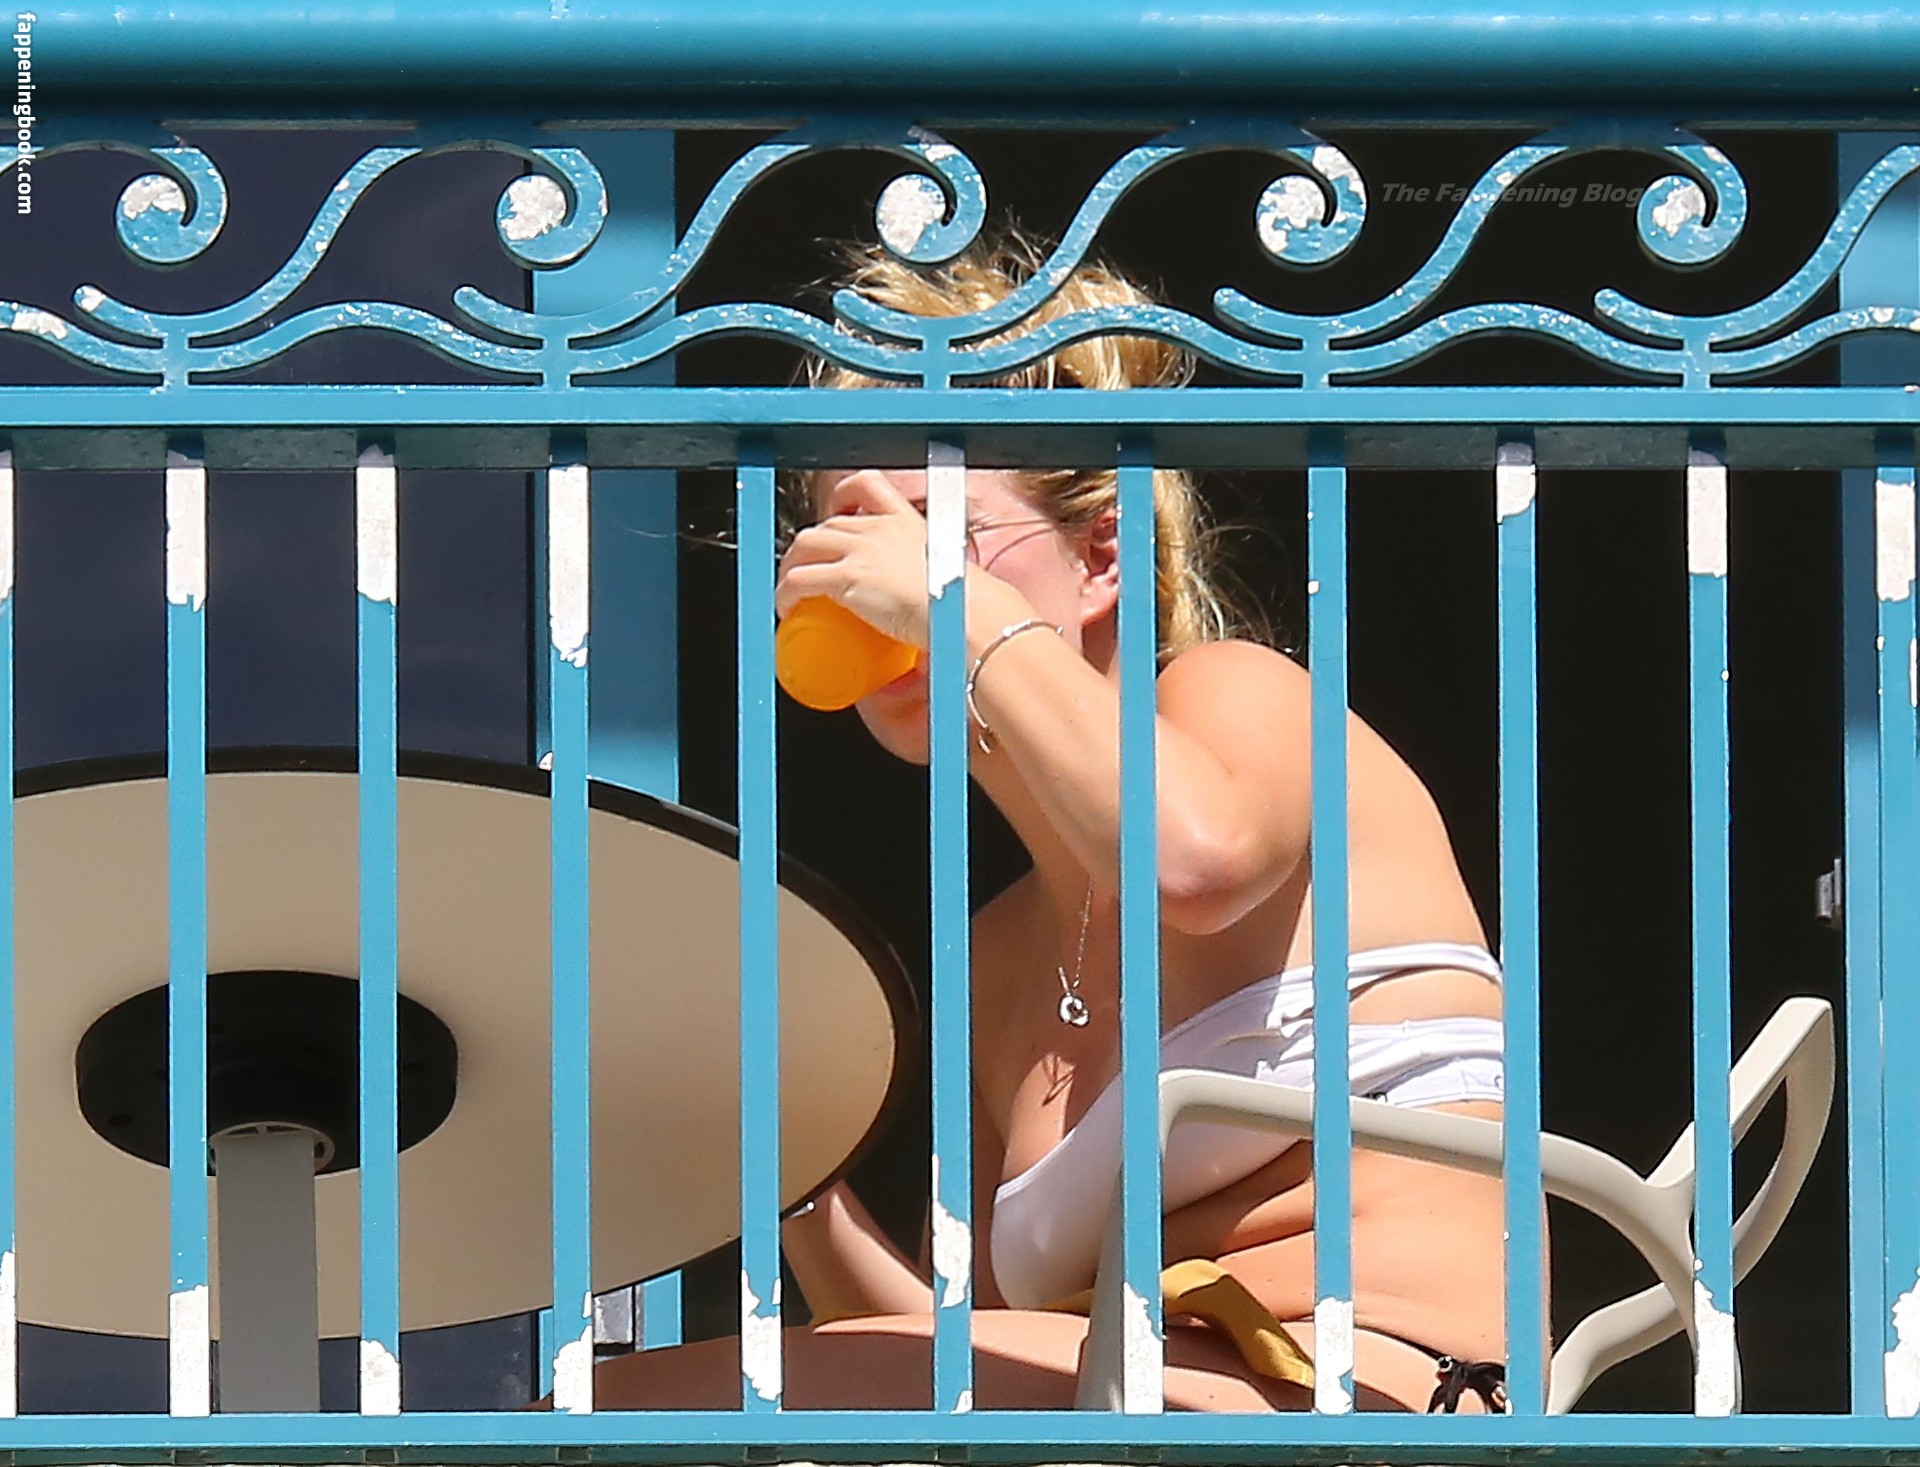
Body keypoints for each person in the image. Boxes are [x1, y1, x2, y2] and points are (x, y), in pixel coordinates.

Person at [591, 229, 1519, 1413]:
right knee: (587, 1421)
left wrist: (957, 608)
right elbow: (963, 1352)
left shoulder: (1243, 698)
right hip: (1113, 1416)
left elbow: (1196, 865)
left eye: (937, 529)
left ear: (1102, 555)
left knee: (591, 1425)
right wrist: (787, 1172)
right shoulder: (994, 956)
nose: (876, 587)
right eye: (846, 548)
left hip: (1384, 1395)